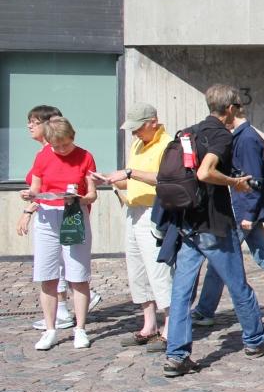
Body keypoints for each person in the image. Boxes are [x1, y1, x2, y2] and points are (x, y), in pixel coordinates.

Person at [162, 84, 264, 378]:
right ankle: (255, 340)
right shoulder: (222, 135)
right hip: (215, 224)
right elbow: (205, 172)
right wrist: (235, 183)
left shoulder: (189, 132)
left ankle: (176, 355)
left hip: (188, 224)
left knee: (182, 293)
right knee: (238, 286)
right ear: (231, 108)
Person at [190, 96, 264, 323]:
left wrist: (249, 214)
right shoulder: (244, 137)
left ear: (231, 110)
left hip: (242, 210)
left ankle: (204, 311)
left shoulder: (246, 139)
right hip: (244, 209)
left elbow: (253, 179)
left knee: (221, 259)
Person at [95, 104, 172, 350]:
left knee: (158, 270)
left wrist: (130, 172)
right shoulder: (137, 144)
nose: (134, 133)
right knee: (137, 270)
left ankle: (170, 327)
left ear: (153, 122)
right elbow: (133, 180)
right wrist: (110, 179)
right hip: (134, 210)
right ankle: (149, 325)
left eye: (138, 128)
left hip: (155, 211)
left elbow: (165, 179)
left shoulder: (168, 145)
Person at [17, 116, 97, 350]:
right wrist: (29, 195)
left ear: (72, 137)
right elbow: (36, 188)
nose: (61, 150)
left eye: (65, 144)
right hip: (47, 215)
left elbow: (92, 194)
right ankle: (50, 329)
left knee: (78, 275)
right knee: (48, 274)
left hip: (74, 213)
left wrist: (80, 199)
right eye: (56, 146)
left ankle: (80, 328)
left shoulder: (85, 156)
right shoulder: (43, 156)